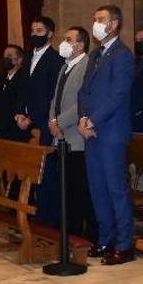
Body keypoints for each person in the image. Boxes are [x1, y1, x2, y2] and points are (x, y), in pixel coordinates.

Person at [78, 4, 136, 264]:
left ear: (113, 24)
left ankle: (124, 244)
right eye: (95, 19)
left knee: (116, 189)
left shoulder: (122, 55)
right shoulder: (95, 54)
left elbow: (118, 95)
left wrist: (93, 120)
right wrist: (82, 118)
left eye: (100, 19)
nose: (96, 24)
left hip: (110, 131)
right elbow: (84, 91)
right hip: (91, 131)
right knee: (97, 188)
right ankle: (104, 239)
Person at [44, 26, 95, 240]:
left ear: (80, 44)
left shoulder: (86, 65)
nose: (64, 43)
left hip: (75, 137)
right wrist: (52, 121)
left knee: (79, 188)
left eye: (68, 39)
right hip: (61, 135)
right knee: (66, 188)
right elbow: (55, 98)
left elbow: (81, 101)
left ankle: (83, 233)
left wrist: (61, 122)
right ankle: (70, 229)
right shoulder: (65, 66)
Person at [18, 16, 62, 147]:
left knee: (43, 164)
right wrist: (19, 112)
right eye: (32, 31)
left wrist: (31, 118)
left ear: (49, 34)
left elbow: (51, 94)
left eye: (39, 31)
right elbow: (22, 87)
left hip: (42, 121)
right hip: (22, 120)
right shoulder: (27, 58)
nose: (35, 34)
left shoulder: (56, 60)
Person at [0, 44, 29, 141]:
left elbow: (16, 106)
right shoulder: (3, 79)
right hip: (0, 131)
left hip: (15, 132)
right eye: (5, 56)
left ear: (19, 60)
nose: (6, 59)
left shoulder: (24, 79)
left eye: (9, 56)